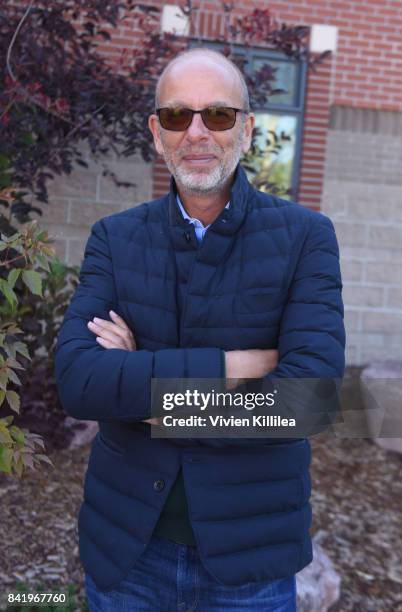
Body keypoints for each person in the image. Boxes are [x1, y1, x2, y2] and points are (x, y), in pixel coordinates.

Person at [54, 47, 345, 611]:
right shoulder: (115, 238)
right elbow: (79, 380)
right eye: (175, 116)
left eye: (216, 114)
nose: (196, 132)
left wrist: (142, 392)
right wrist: (236, 368)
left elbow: (310, 402)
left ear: (247, 127)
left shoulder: (306, 238)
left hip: (249, 560)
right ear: (155, 132)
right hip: (128, 552)